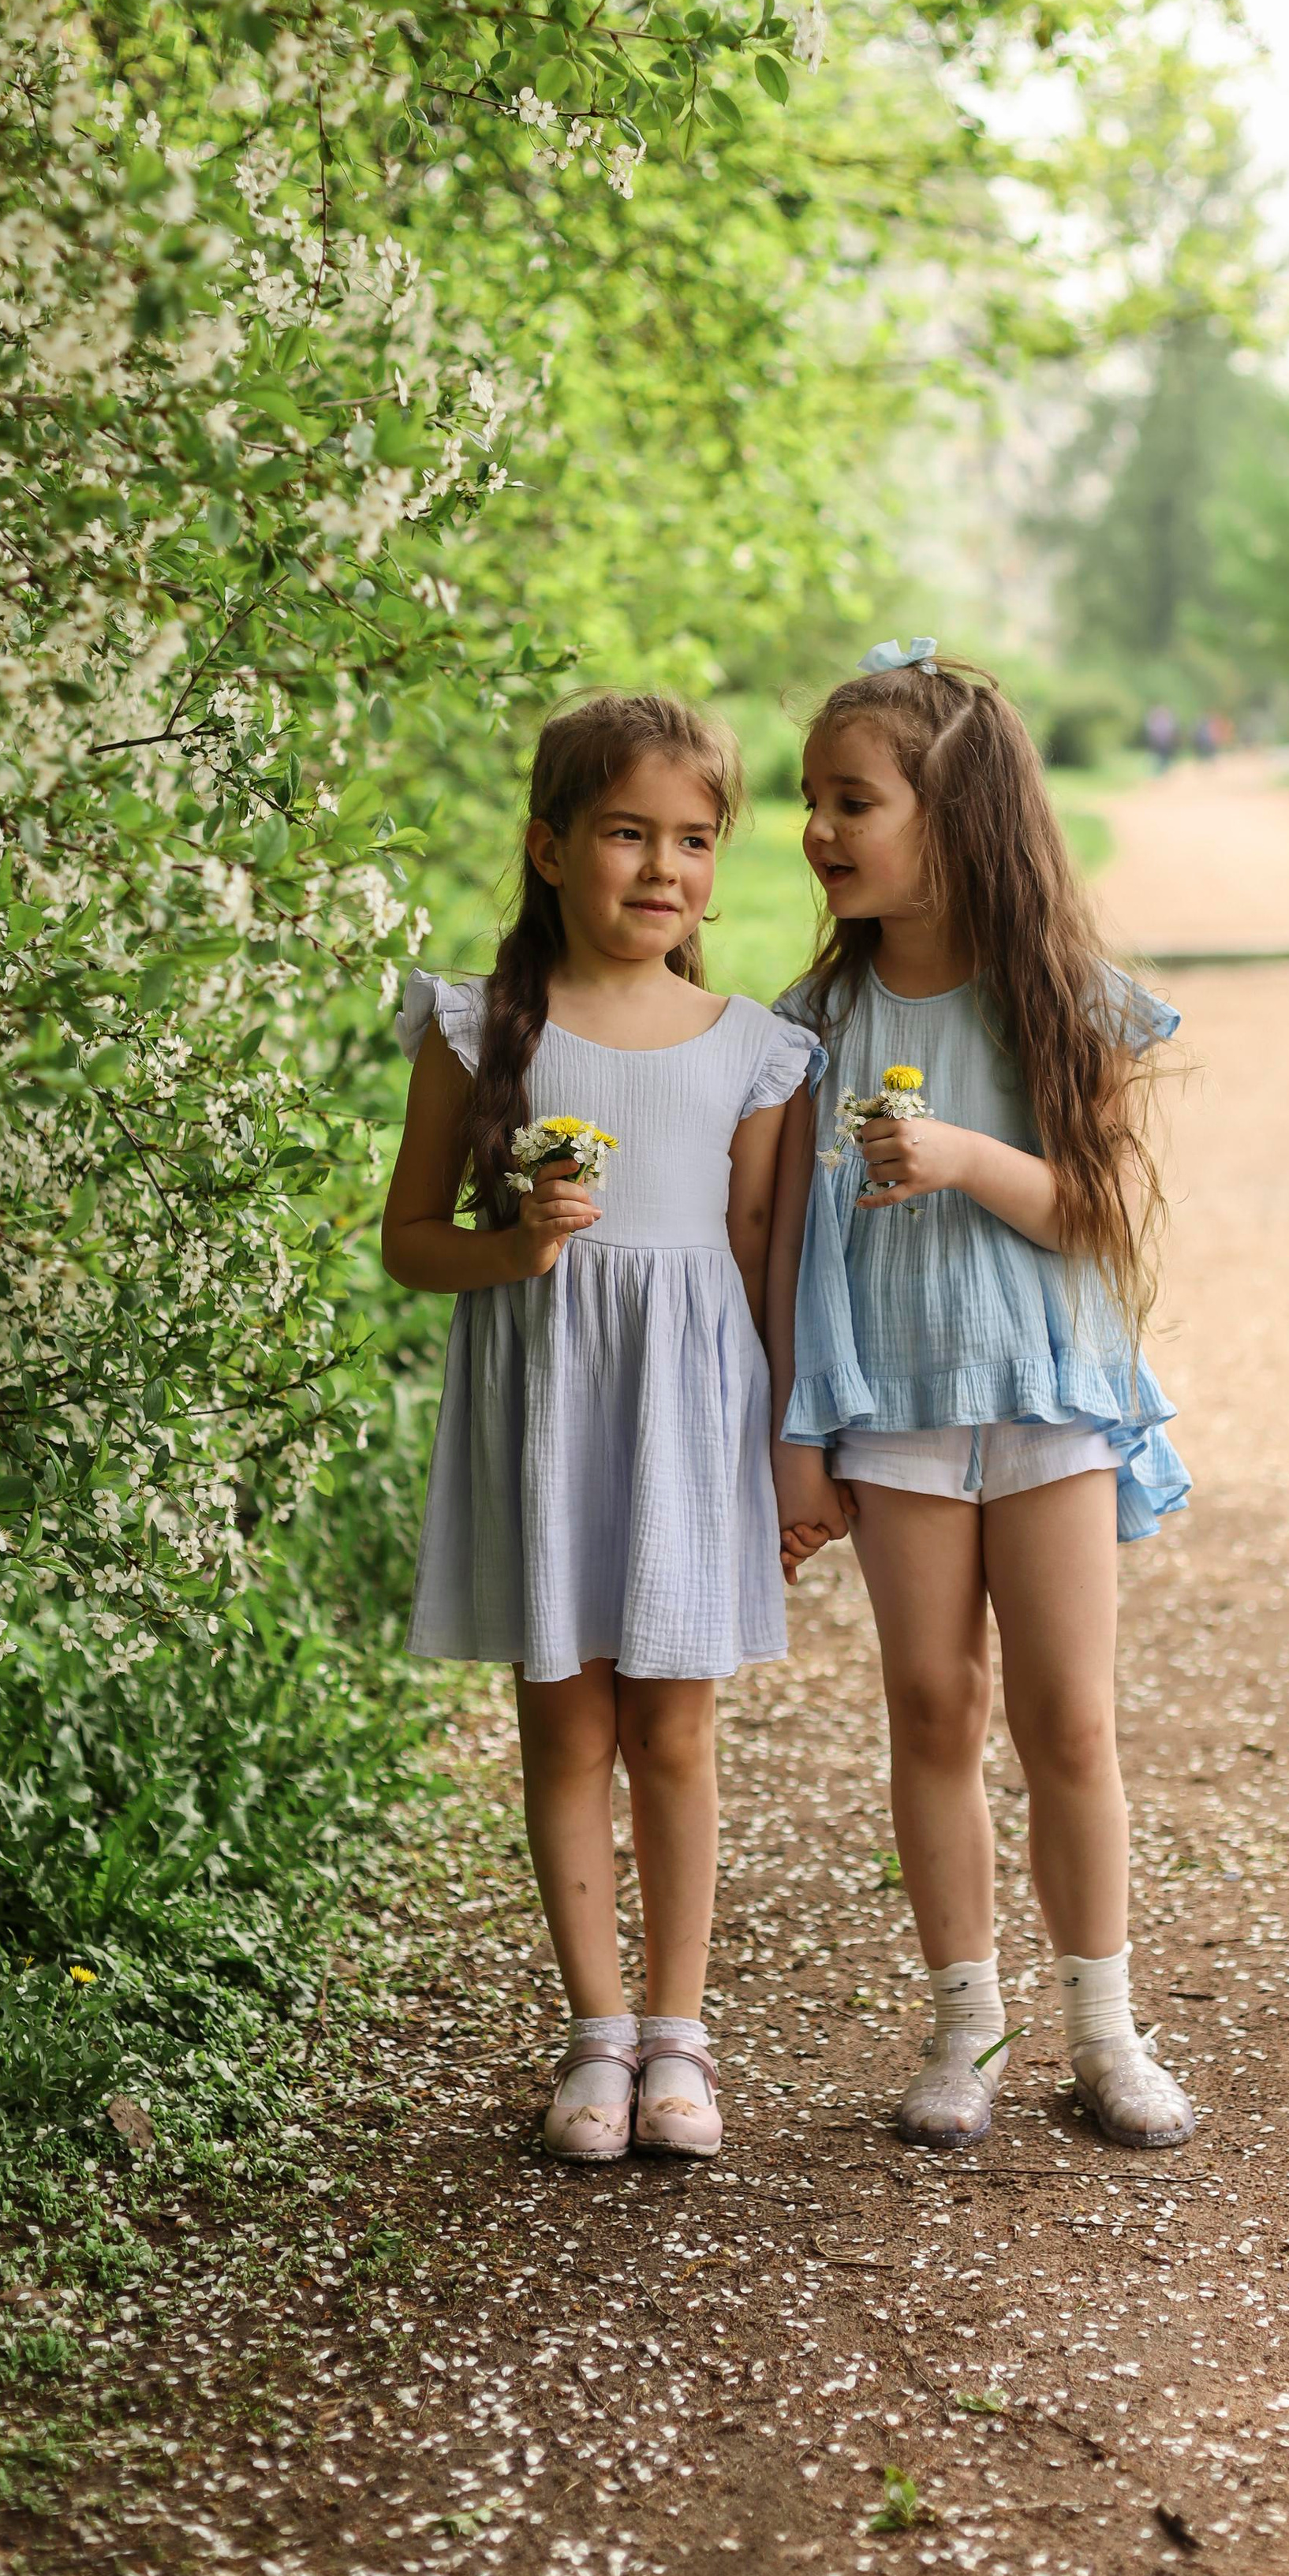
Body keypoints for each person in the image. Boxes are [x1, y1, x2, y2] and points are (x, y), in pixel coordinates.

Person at [766, 640, 1195, 2154]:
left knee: (1069, 1720)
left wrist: (962, 1159)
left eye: (851, 802)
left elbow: (1104, 1216)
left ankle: (1104, 2027)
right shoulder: (809, 1028)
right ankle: (967, 2024)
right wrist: (799, 1436)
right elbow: (789, 1253)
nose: (818, 831)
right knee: (931, 1706)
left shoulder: (1056, 998)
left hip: (1048, 1402)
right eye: (812, 802)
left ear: (951, 818)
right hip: (893, 1408)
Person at [381, 693, 820, 2165]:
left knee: (676, 1728)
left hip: (691, 1419)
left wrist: (788, 1452)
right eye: (628, 833)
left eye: (694, 840)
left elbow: (764, 1257)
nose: (662, 869)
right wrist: (514, 1248)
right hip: (549, 1406)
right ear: (550, 847)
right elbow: (406, 1241)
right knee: (566, 1723)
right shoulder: (483, 1027)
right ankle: (596, 2033)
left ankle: (681, 2039)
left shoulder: (750, 1047)